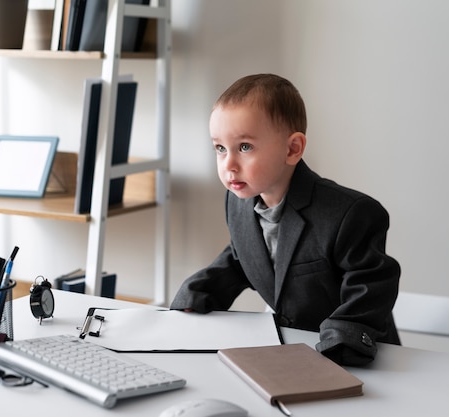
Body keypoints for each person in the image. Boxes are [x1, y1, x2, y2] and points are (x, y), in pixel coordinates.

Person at [170, 73, 400, 366]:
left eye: (244, 147)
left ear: (292, 149)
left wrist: (340, 342)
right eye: (220, 148)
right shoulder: (239, 203)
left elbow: (371, 286)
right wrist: (196, 295)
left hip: (354, 358)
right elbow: (243, 258)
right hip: (291, 351)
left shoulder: (350, 213)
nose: (229, 164)